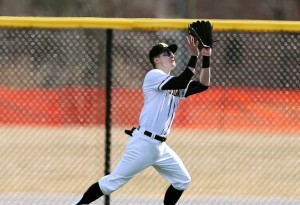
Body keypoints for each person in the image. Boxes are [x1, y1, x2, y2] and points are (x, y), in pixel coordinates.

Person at [73, 35, 211, 205]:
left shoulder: (174, 85)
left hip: (160, 147)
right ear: (156, 59)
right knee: (112, 183)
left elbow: (203, 85)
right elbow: (182, 80)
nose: (172, 55)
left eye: (172, 52)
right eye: (167, 52)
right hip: (144, 143)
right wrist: (193, 55)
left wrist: (205, 56)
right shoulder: (154, 76)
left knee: (182, 180)